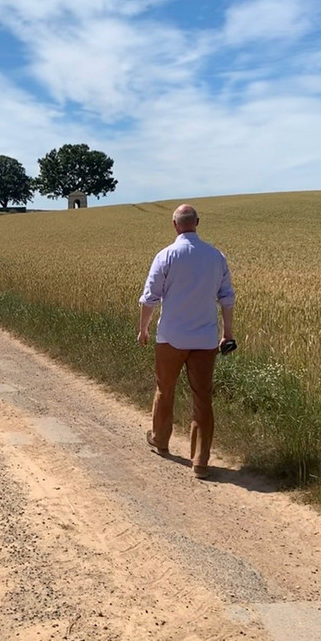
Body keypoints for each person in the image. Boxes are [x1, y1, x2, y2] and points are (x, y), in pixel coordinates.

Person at [137, 204, 235, 478]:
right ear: (198, 223)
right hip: (205, 338)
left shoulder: (166, 255)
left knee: (164, 388)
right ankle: (200, 461)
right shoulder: (216, 256)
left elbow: (150, 298)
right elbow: (226, 297)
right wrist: (227, 332)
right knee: (202, 397)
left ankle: (160, 439)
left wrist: (143, 329)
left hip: (171, 336)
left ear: (174, 224)